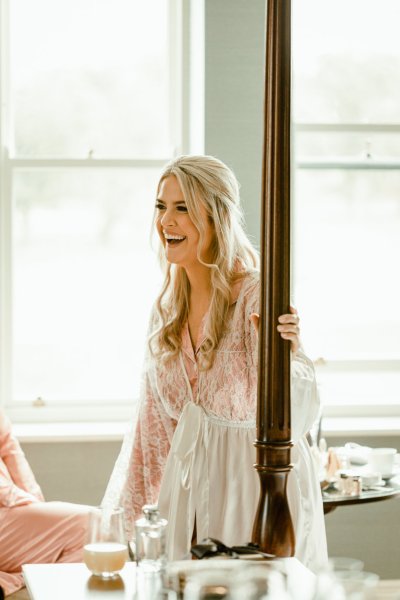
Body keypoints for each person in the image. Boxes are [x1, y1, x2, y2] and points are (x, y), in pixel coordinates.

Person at [103, 155, 328, 572]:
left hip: (253, 494)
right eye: (161, 206)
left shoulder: (257, 296)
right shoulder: (167, 310)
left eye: (182, 207)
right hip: (185, 498)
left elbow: (296, 418)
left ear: (217, 215)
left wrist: (290, 356)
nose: (166, 220)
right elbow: (150, 431)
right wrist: (129, 528)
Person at [0, 410, 90, 597]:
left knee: (97, 525)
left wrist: (36, 505)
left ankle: (18, 580)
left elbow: (10, 450)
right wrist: (14, 498)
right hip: (5, 503)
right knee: (92, 524)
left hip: (9, 505)